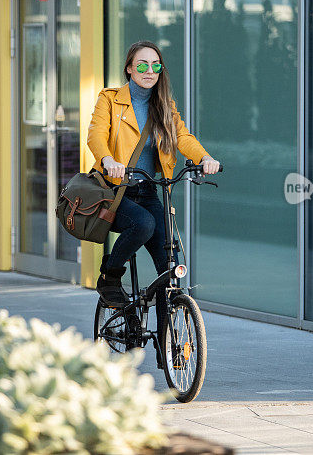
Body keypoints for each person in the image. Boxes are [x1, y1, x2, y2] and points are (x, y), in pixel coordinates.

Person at [87, 40, 220, 320]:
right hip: (117, 192)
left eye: (156, 65)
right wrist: (108, 160)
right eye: (142, 65)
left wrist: (204, 158)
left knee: (168, 266)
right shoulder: (110, 100)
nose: (150, 70)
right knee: (144, 224)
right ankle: (110, 276)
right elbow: (96, 135)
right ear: (129, 69)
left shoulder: (164, 106)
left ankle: (166, 346)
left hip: (150, 191)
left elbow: (182, 137)